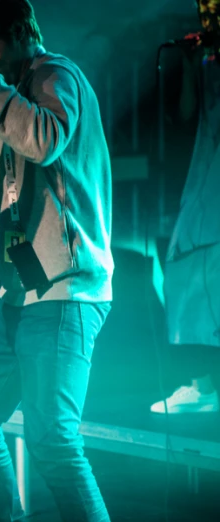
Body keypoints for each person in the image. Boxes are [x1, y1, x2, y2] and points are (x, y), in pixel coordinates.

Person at [0, 1, 114, 521]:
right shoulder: (7, 102)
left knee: (53, 442)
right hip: (23, 292)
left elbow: (43, 139)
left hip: (65, 292)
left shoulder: (58, 74)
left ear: (16, 33)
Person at [150, 0, 220, 415]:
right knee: (183, 272)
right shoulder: (210, 58)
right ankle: (204, 383)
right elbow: (187, 115)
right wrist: (194, 67)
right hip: (205, 176)